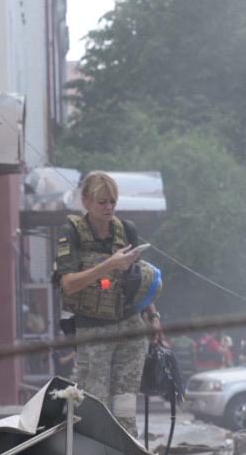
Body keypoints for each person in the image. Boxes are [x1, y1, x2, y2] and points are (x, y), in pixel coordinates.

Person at [53, 172, 164, 433]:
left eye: (113, 201)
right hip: (93, 330)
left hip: (130, 326)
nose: (109, 207)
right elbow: (68, 283)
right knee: (95, 403)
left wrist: (154, 317)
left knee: (125, 402)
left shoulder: (126, 230)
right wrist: (109, 265)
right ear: (86, 201)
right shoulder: (71, 234)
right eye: (102, 202)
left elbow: (138, 281)